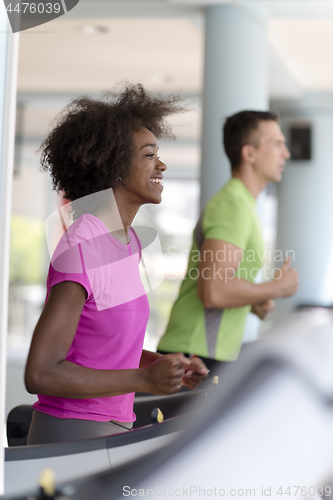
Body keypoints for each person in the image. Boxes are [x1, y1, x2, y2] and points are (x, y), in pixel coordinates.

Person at [25, 84, 208, 445]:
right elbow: (41, 373)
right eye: (148, 155)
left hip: (111, 431)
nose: (162, 164)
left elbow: (103, 347)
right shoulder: (82, 245)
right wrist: (142, 382)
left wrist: (160, 365)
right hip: (70, 435)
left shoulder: (130, 243)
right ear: (113, 165)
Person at [158, 110, 299, 371]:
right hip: (193, 354)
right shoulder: (232, 205)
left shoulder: (242, 204)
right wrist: (276, 288)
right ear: (249, 154)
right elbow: (214, 291)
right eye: (277, 144)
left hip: (203, 352)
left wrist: (253, 301)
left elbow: (221, 285)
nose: (286, 153)